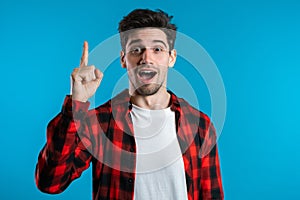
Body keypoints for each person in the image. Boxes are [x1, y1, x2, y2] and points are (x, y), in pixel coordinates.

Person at [35, 8, 224, 200]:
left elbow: (212, 195)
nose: (146, 58)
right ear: (124, 59)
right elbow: (50, 183)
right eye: (136, 50)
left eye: (157, 49)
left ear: (171, 57)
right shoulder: (100, 123)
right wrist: (76, 105)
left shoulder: (199, 125)